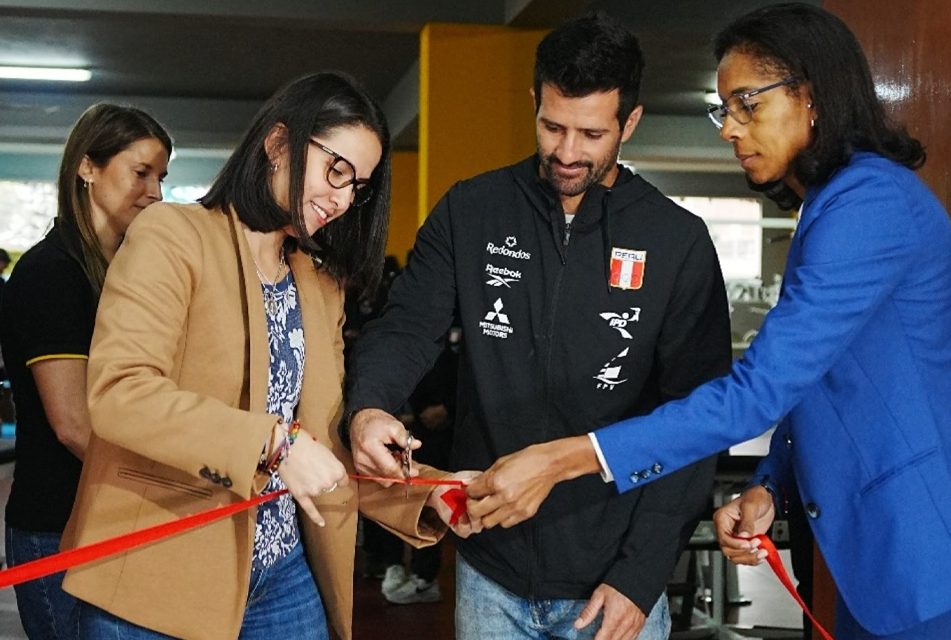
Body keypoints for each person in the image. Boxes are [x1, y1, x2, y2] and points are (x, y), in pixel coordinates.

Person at [465, 4, 951, 639]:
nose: (730, 128)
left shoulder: (870, 203)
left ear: (814, 96)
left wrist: (569, 458)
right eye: (726, 108)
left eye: (748, 103)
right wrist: (770, 486)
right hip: (872, 550)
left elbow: (762, 391)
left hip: (920, 547)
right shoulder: (832, 205)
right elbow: (820, 381)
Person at [343, 12, 731, 640]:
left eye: (591, 133)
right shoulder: (471, 209)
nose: (568, 151)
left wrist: (641, 577)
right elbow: (405, 326)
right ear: (534, 102)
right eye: (552, 125)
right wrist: (369, 407)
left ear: (630, 122)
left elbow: (696, 422)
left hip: (613, 583)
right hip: (490, 571)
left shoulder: (677, 240)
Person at [58, 73, 472, 640]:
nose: (343, 198)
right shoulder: (173, 235)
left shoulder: (319, 281)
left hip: (283, 573)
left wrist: (430, 490)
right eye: (336, 170)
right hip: (162, 574)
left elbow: (320, 443)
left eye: (359, 186)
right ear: (278, 143)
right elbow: (120, 394)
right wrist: (275, 444)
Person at [0, 104, 171, 640]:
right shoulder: (52, 274)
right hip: (59, 524)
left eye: (161, 177)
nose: (156, 192)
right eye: (141, 172)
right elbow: (73, 424)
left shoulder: (119, 275)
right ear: (87, 167)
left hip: (111, 514)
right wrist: (173, 479)